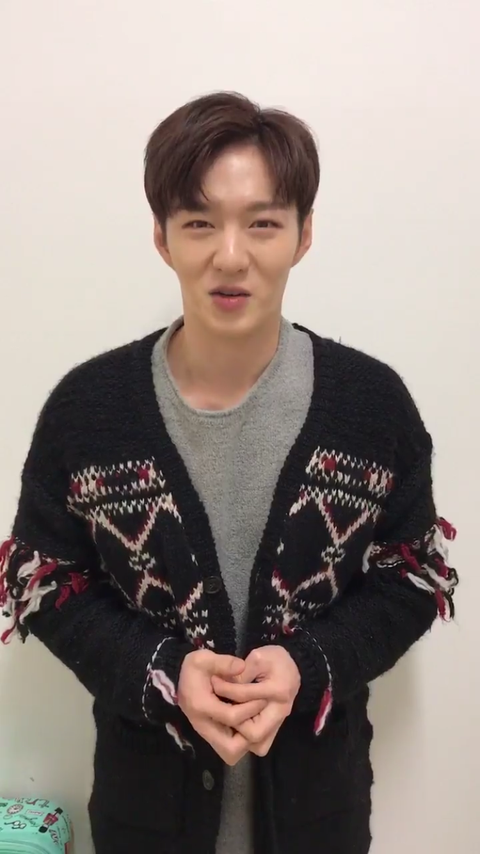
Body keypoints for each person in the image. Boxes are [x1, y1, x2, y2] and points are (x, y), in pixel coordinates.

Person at [0, 91, 458, 854]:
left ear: (305, 234)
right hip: (145, 818)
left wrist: (308, 665)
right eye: (200, 223)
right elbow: (43, 579)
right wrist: (160, 671)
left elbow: (413, 577)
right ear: (162, 236)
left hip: (320, 817)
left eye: (264, 223)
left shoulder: (371, 407)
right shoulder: (87, 411)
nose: (231, 255)